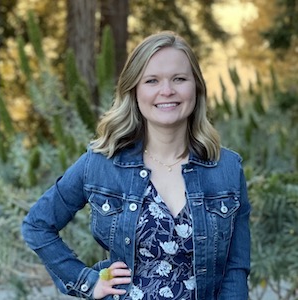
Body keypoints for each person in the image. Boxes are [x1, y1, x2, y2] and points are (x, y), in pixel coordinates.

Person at [22, 31, 250, 300]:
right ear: (134, 90)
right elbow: (37, 225)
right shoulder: (100, 164)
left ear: (196, 88)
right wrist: (86, 281)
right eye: (152, 80)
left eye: (179, 79)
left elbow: (235, 270)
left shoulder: (226, 169)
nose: (167, 91)